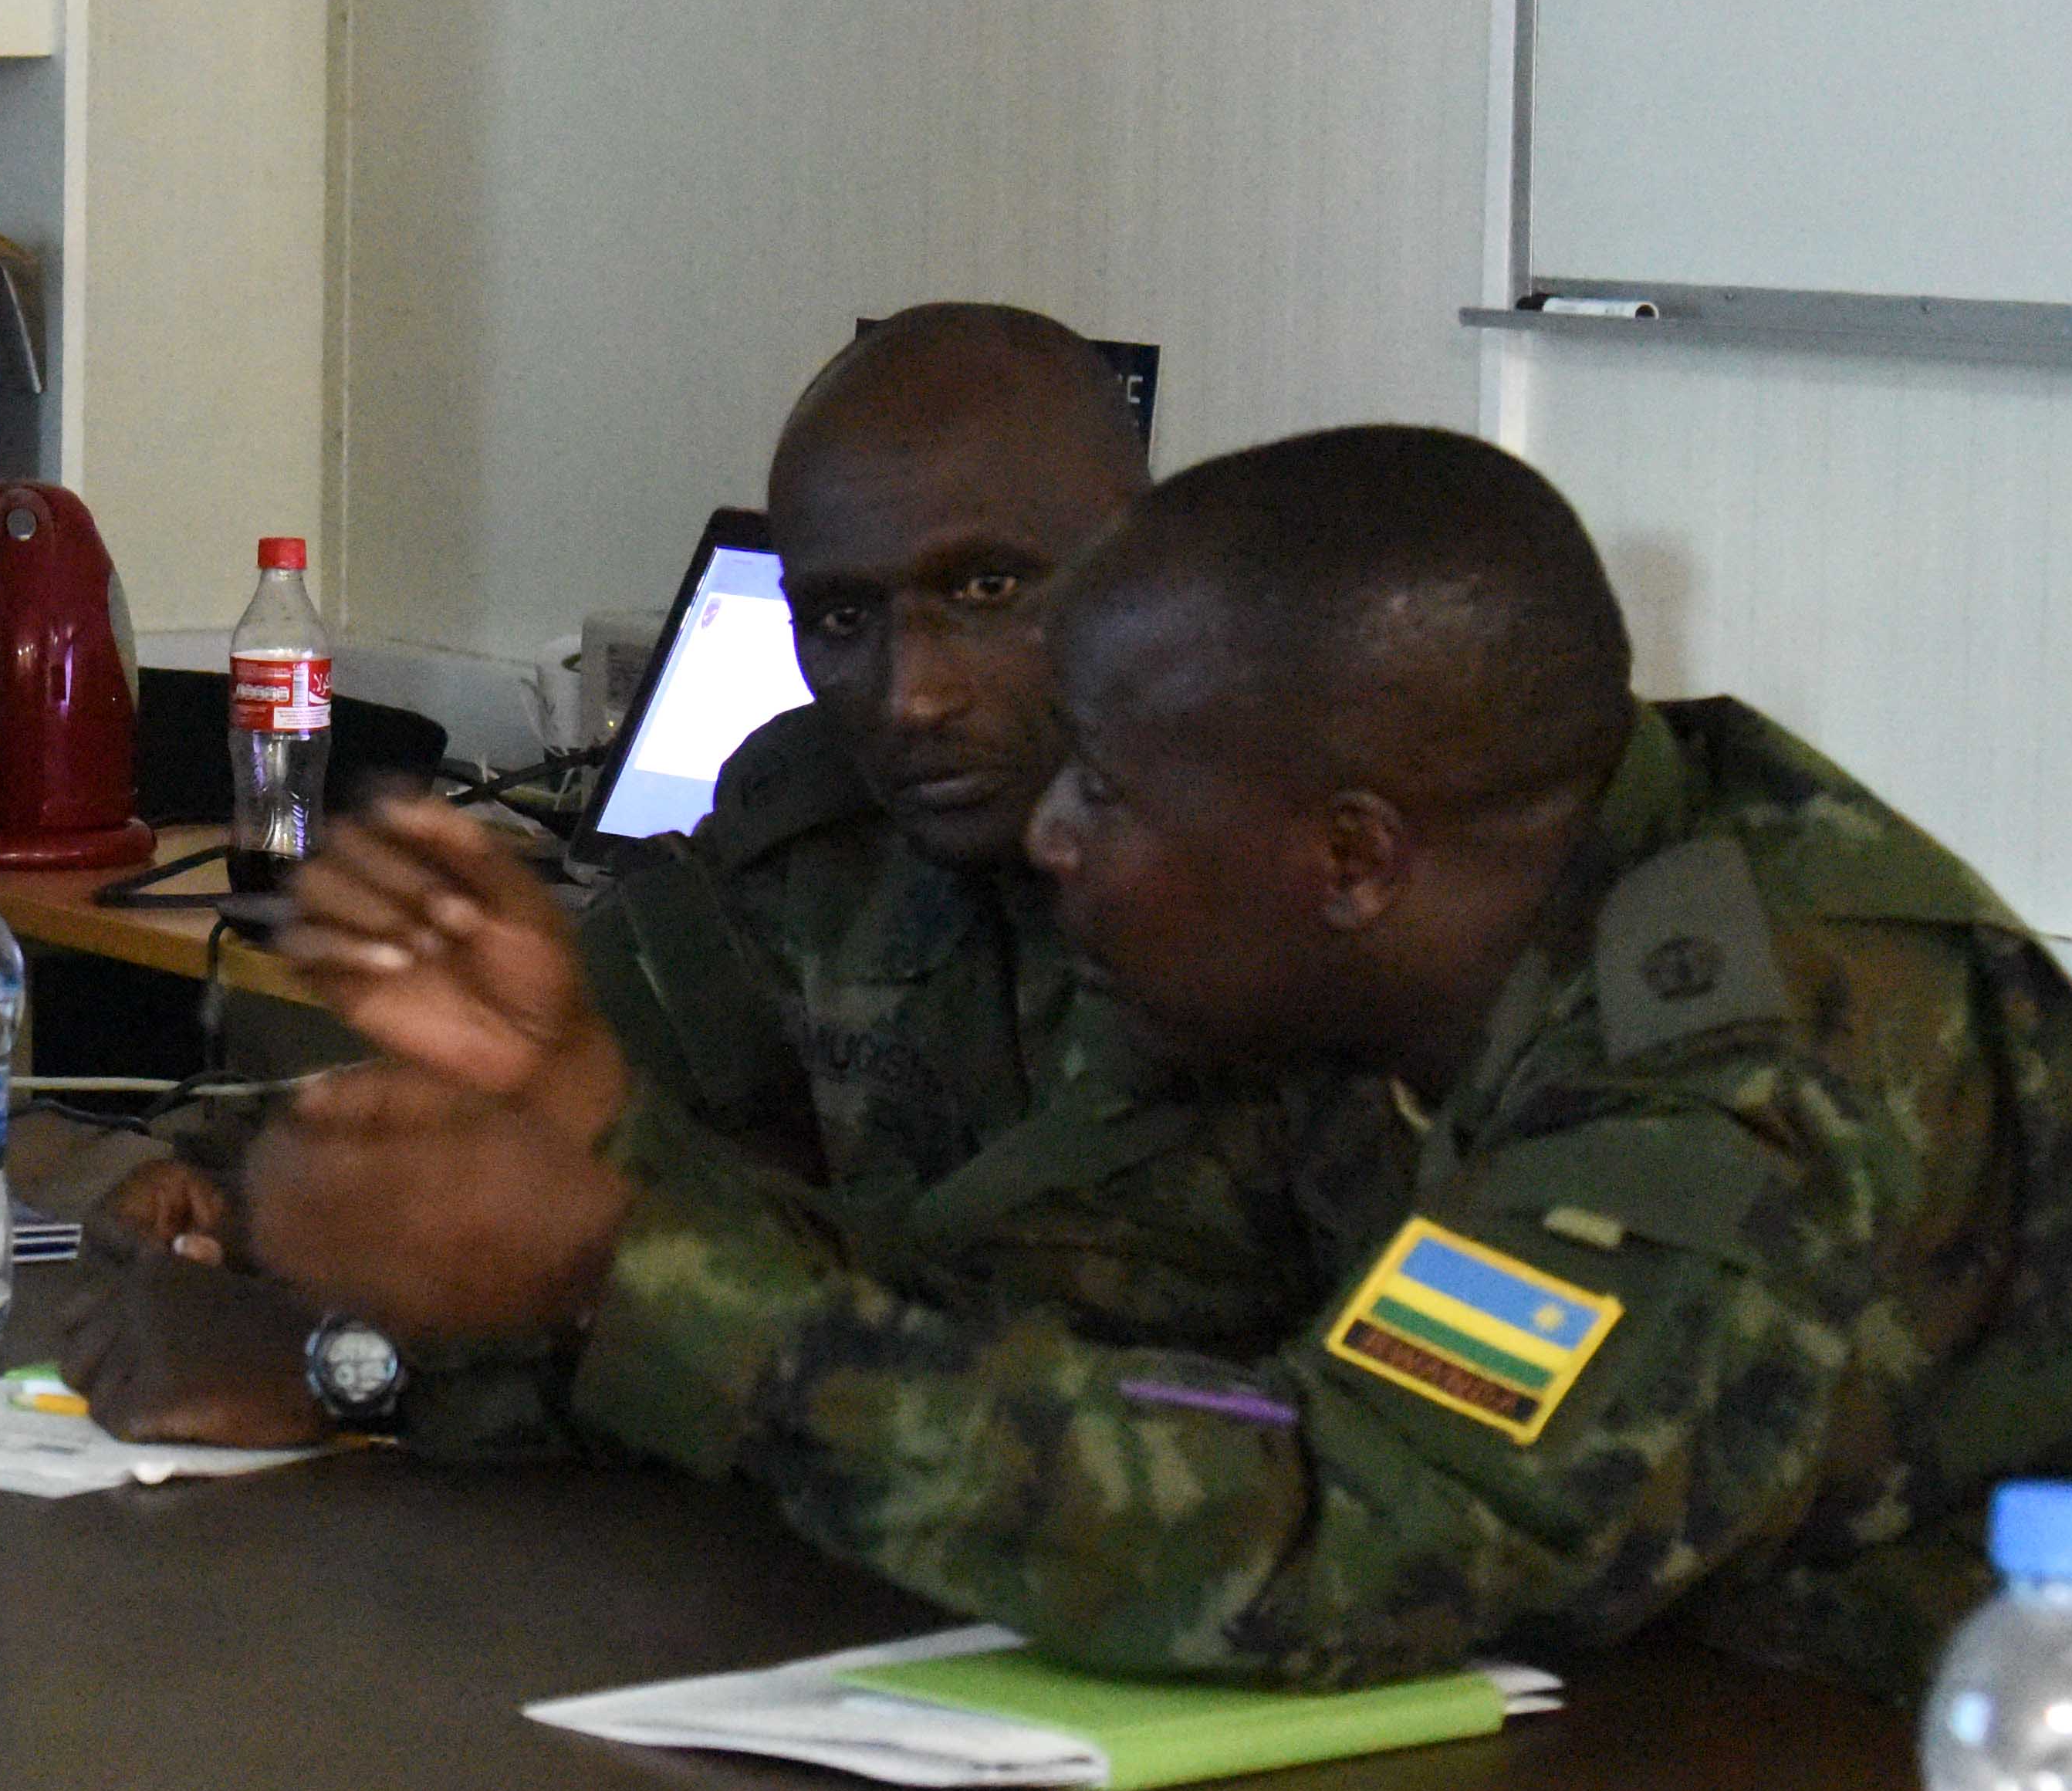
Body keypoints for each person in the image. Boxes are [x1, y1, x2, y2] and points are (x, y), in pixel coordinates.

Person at [251, 422, 2072, 1791]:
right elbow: (1024, 1346)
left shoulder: (1755, 1059)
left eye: (1107, 791)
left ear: (1345, 853)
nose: (1047, 835)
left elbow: (1336, 1534)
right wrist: (604, 1154)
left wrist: (611, 1264)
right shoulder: (1360, 970)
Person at [75, 305, 1310, 1445]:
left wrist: (360, 1366)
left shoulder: (1272, 904)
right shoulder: (831, 814)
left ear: (1147, 565)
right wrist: (240, 1193)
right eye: (840, 619)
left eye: (987, 588)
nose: (911, 693)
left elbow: (959, 1334)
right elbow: (565, 1094)